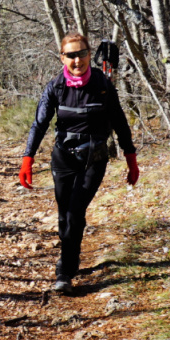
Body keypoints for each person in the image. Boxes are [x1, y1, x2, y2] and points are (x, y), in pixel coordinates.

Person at [18, 32, 139, 296]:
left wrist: (130, 158)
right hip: (63, 158)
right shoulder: (55, 87)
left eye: (82, 53)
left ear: (88, 54)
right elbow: (39, 124)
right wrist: (28, 157)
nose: (77, 60)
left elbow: (120, 123)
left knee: (74, 212)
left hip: (93, 160)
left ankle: (65, 270)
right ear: (62, 57)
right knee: (65, 217)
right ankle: (71, 255)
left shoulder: (103, 84)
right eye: (70, 55)